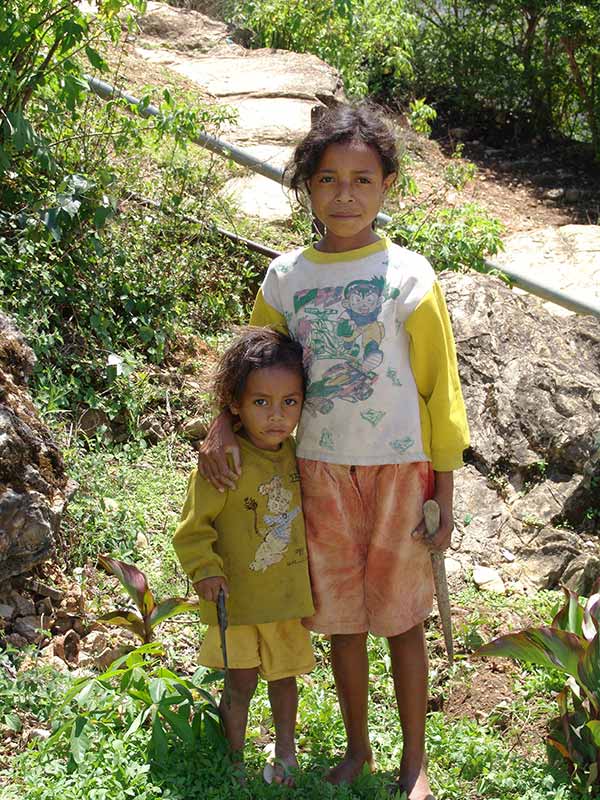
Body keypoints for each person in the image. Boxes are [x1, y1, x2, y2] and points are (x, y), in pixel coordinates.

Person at [198, 102, 469, 800]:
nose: (344, 194)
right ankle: (357, 749)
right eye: (327, 179)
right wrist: (222, 425)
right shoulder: (287, 278)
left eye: (362, 179)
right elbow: (251, 366)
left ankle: (415, 762)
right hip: (315, 473)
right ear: (307, 187)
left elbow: (441, 390)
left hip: (400, 472)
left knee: (402, 620)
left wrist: (444, 488)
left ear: (387, 186)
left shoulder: (410, 275)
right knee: (343, 622)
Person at [173, 327, 315, 786]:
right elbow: (193, 529)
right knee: (240, 682)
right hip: (234, 602)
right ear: (235, 403)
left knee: (284, 679)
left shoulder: (299, 454)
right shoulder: (224, 462)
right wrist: (205, 571)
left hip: (285, 600)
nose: (276, 415)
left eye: (289, 402)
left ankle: (286, 752)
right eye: (261, 402)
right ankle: (233, 761)